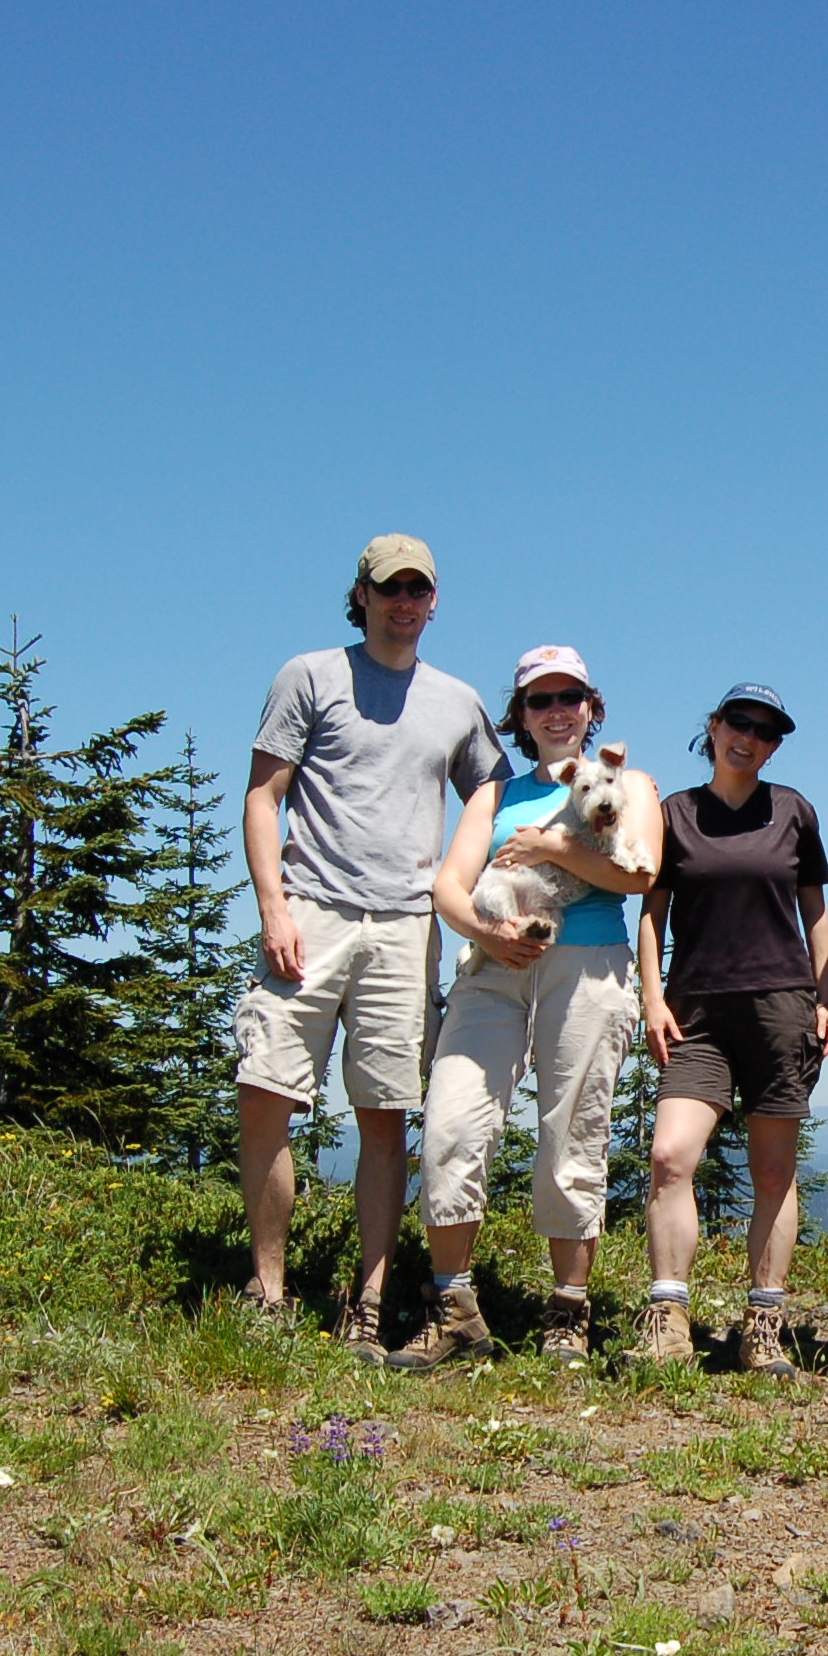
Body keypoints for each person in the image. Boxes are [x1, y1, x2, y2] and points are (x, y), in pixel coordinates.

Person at [234, 535, 508, 1349]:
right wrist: (273, 908)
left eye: (418, 590)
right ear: (361, 595)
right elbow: (263, 796)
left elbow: (494, 795)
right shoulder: (310, 675)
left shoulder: (457, 702)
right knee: (265, 1092)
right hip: (310, 910)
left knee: (384, 1116)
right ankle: (268, 1290)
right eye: (390, 589)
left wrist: (483, 875)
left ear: (435, 601)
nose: (404, 603)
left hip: (405, 926)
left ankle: (370, 1301)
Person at [391, 646, 662, 1369]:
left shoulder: (630, 783)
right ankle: (453, 1308)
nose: (557, 712)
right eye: (540, 701)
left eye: (570, 697)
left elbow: (640, 874)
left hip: (588, 965)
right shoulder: (493, 795)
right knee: (451, 1121)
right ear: (520, 716)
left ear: (591, 707)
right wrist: (487, 933)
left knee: (573, 1135)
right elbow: (449, 885)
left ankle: (568, 1311)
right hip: (494, 964)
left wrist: (548, 846)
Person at [630, 683, 828, 1378]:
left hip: (782, 1007)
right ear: (714, 727)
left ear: (774, 746)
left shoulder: (793, 812)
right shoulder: (675, 814)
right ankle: (668, 1318)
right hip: (697, 1012)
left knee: (774, 1169)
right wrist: (652, 995)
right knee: (670, 1157)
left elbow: (814, 911)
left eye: (766, 731)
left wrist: (824, 999)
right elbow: (652, 911)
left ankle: (765, 1324)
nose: (749, 738)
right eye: (738, 723)